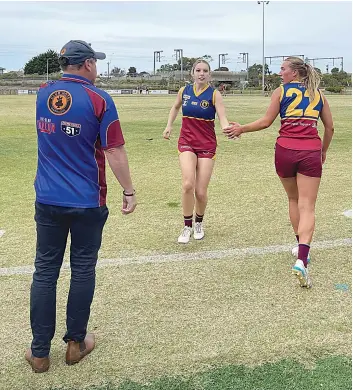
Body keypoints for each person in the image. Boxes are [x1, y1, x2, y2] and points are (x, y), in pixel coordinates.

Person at [26, 40, 137, 373]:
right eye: (96, 63)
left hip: (47, 198)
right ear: (88, 64)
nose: (98, 68)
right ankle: (75, 344)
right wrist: (129, 191)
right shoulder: (100, 99)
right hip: (88, 200)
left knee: (45, 272)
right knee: (83, 268)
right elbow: (114, 151)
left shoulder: (44, 93)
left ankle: (40, 353)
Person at [223, 57, 334, 288]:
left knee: (293, 199)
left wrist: (241, 128)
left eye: (283, 69)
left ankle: (300, 250)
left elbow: (266, 122)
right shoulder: (319, 94)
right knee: (307, 205)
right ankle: (302, 257)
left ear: (294, 73)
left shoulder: (281, 91)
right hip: (310, 151)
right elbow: (330, 127)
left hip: (285, 151)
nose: (279, 72)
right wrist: (323, 151)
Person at [163, 59, 230, 243]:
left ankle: (199, 221)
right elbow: (175, 107)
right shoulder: (184, 91)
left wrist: (228, 129)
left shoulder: (215, 94)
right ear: (192, 73)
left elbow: (223, 118)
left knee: (200, 191)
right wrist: (169, 125)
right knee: (187, 184)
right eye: (198, 70)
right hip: (187, 142)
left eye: (205, 71)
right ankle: (187, 226)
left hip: (207, 145)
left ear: (210, 74)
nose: (201, 73)